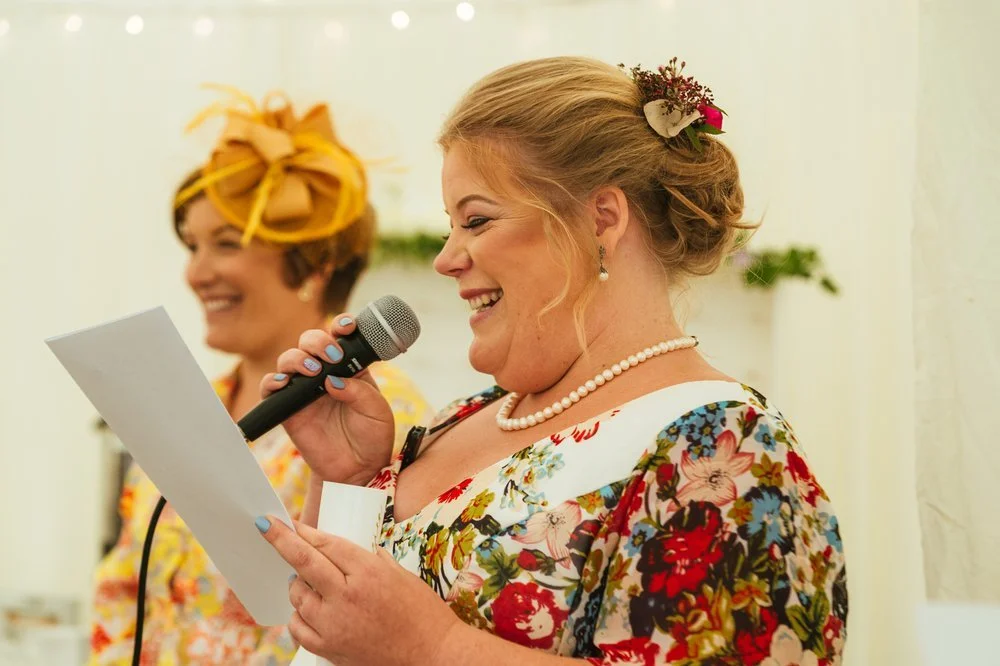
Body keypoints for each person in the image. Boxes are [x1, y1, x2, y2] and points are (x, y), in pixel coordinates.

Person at [255, 57, 848, 665]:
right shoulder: (457, 420)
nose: (447, 259)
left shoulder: (723, 448)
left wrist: (434, 648)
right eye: (449, 228)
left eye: (477, 220)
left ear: (602, 219)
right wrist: (349, 483)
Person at [87, 87, 432, 665]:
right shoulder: (194, 402)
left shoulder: (379, 417)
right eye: (192, 245)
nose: (196, 272)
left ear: (315, 261)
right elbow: (122, 587)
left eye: (226, 244)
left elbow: (372, 619)